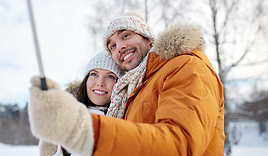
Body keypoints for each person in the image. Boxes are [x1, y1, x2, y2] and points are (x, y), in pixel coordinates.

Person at [28, 12, 225, 156]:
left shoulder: (186, 65)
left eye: (126, 36)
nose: (119, 47)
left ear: (148, 38)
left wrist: (83, 130)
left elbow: (181, 145)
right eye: (112, 45)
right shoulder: (133, 89)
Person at [37, 51, 122, 156]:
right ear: (86, 80)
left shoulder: (125, 117)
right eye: (94, 74)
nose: (100, 83)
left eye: (110, 76)